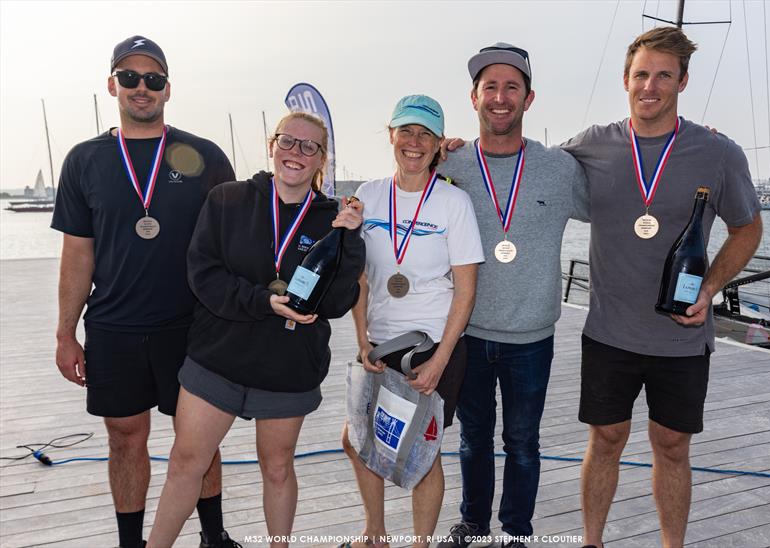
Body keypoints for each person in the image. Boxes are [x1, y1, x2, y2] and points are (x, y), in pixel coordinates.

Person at [561, 27, 762, 548]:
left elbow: (748, 228)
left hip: (681, 337)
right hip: (608, 331)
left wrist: (711, 286)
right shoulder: (591, 144)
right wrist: (453, 153)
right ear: (625, 80)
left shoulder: (718, 153)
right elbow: (528, 170)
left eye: (664, 75)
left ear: (683, 82)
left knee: (671, 446)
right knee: (605, 440)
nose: (650, 86)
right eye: (642, 74)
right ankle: (592, 541)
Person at [51, 35, 238, 548]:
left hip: (192, 326)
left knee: (197, 441)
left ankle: (214, 537)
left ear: (167, 90)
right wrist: (66, 334)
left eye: (152, 79)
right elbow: (77, 255)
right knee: (125, 438)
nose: (141, 87)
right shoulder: (84, 160)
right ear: (112, 84)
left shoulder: (203, 155)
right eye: (130, 77)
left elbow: (240, 236)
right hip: (114, 327)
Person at [147, 111, 366, 548]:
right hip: (217, 358)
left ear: (321, 158)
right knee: (186, 462)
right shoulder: (228, 199)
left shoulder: (332, 217)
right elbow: (202, 274)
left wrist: (350, 241)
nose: (296, 153)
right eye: (288, 141)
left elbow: (339, 302)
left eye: (310, 147)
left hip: (286, 368)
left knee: (279, 468)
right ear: (272, 144)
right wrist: (261, 301)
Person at [436, 43, 590, 547]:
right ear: (474, 97)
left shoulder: (561, 168)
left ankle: (516, 534)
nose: (500, 97)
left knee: (523, 442)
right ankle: (474, 525)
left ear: (529, 99)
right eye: (490, 87)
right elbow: (404, 199)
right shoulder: (448, 161)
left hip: (532, 336)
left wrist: (687, 149)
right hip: (468, 330)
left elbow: (624, 192)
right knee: (472, 439)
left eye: (511, 87)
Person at [341, 95, 483, 547]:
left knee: (425, 451)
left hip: (431, 344)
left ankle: (420, 543)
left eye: (426, 133)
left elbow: (466, 289)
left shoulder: (453, 202)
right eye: (406, 131)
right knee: (356, 439)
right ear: (391, 136)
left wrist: (440, 359)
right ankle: (375, 533)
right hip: (380, 341)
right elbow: (361, 278)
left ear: (440, 144)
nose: (415, 142)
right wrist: (362, 340)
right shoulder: (369, 194)